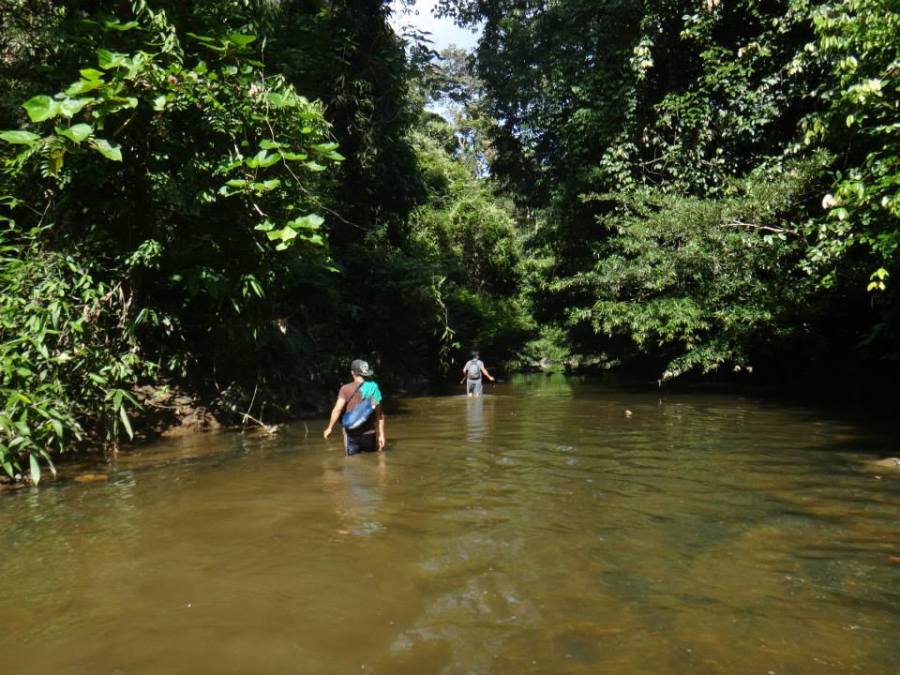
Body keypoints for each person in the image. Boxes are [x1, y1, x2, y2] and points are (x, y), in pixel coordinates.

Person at [323, 359, 386, 455]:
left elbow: (337, 409)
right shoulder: (373, 388)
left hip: (351, 434)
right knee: (371, 461)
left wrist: (330, 428)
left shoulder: (345, 389)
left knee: (352, 462)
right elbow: (379, 414)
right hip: (369, 434)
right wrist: (381, 435)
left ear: (352, 373)